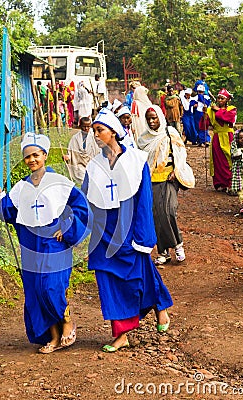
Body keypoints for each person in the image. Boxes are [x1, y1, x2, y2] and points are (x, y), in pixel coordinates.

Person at [81, 108, 173, 353]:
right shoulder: (94, 165)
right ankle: (121, 333)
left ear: (113, 132)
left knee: (139, 273)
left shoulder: (136, 160)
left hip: (129, 227)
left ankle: (160, 307)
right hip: (103, 232)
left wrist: (143, 235)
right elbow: (85, 200)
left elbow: (144, 201)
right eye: (94, 131)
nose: (96, 135)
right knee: (107, 279)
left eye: (100, 130)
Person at [0, 133, 92, 354]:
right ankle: (53, 337)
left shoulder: (60, 182)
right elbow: (9, 211)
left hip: (54, 244)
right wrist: (0, 198)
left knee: (51, 286)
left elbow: (82, 208)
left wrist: (67, 228)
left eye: (36, 155)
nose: (32, 160)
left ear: (45, 155)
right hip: (30, 244)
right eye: (27, 157)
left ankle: (66, 322)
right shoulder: (21, 187)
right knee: (36, 290)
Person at [137, 105, 195, 266]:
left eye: (154, 117)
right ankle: (163, 251)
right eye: (148, 118)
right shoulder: (143, 139)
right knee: (156, 215)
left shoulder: (170, 133)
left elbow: (180, 152)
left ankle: (178, 244)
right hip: (151, 180)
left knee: (168, 211)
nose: (151, 121)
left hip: (169, 178)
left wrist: (176, 170)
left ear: (160, 118)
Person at [202, 88, 237, 193]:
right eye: (218, 98)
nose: (220, 100)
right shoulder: (210, 110)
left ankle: (230, 183)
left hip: (228, 136)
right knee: (218, 161)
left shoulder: (232, 109)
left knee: (229, 159)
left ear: (227, 100)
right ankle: (221, 183)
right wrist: (204, 114)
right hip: (217, 137)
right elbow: (204, 125)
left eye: (222, 98)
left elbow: (229, 118)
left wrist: (217, 110)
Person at [63, 116, 101, 185]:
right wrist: (67, 157)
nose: (86, 129)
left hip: (92, 163)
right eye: (84, 126)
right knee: (82, 177)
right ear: (80, 126)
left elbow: (98, 151)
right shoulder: (75, 138)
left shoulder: (94, 137)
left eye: (88, 127)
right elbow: (70, 151)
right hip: (79, 164)